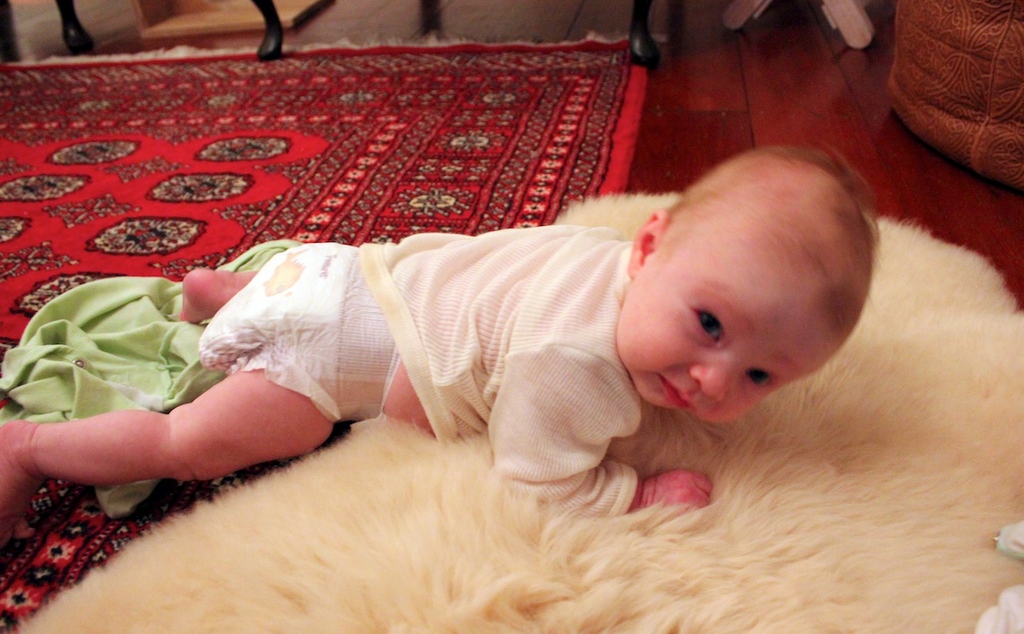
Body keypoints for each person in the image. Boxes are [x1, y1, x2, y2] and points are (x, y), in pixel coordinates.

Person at [0, 146, 878, 546]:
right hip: (322, 348)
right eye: (711, 327)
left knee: (280, 304)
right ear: (652, 247)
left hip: (338, 271)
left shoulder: (619, 263)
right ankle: (31, 449)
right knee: (180, 445)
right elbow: (540, 482)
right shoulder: (580, 368)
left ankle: (215, 296)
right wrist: (637, 492)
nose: (711, 379)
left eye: (762, 373)